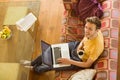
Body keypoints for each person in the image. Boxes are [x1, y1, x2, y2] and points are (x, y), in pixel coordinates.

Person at [21, 16, 104, 73]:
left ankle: (35, 69)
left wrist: (69, 61)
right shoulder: (93, 31)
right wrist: (80, 46)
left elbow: (87, 65)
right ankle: (32, 62)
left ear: (97, 30)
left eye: (90, 29)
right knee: (52, 49)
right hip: (77, 46)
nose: (86, 30)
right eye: (86, 27)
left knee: (54, 64)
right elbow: (85, 38)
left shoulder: (96, 47)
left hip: (80, 60)